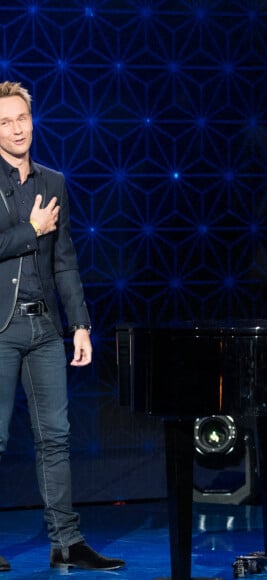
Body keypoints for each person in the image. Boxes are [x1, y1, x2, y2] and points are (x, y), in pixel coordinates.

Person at [0, 81, 125, 572]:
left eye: (21, 119)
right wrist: (30, 230)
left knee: (56, 436)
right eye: (5, 122)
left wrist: (80, 325)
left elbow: (65, 261)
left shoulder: (54, 181)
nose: (16, 129)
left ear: (33, 120)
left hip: (46, 326)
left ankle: (66, 543)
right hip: (1, 329)